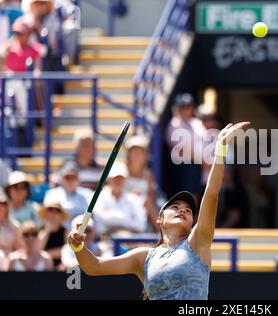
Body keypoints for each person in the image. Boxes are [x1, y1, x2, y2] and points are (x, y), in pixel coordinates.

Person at [67, 122, 250, 300]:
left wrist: (220, 150)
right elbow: (94, 267)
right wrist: (78, 247)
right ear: (159, 219)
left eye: (188, 210)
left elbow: (211, 194)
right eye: (175, 207)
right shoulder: (143, 257)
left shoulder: (198, 242)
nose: (183, 211)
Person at [165, 93, 204, 199]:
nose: (186, 109)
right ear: (178, 108)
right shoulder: (174, 124)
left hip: (198, 165)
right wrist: (202, 161)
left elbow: (205, 141)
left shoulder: (197, 123)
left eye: (189, 106)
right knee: (184, 196)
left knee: (197, 195)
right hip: (182, 166)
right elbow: (181, 149)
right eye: (183, 106)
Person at [124, 135, 166, 233]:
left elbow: (151, 196)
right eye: (134, 151)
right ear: (128, 154)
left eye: (140, 152)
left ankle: (160, 232)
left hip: (143, 212)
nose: (137, 155)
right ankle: (161, 232)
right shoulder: (121, 171)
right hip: (125, 208)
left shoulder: (149, 175)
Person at [94, 162, 147, 236]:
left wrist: (115, 218)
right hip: (105, 241)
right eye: (115, 178)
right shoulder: (99, 198)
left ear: (125, 180)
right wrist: (127, 220)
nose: (118, 181)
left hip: (129, 241)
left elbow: (141, 225)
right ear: (109, 179)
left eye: (121, 178)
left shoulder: (134, 199)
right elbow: (100, 221)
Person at [44, 161, 92, 227]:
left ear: (78, 179)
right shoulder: (51, 194)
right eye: (67, 177)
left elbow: (91, 218)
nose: (70, 181)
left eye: (73, 177)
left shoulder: (87, 194)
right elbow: (48, 218)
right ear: (61, 178)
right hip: (57, 233)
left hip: (80, 233)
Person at [37, 200, 69, 269]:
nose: (53, 214)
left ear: (61, 216)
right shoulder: (39, 230)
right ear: (45, 214)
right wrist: (47, 231)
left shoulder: (66, 232)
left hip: (60, 267)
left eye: (57, 211)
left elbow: (68, 251)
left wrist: (47, 253)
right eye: (50, 210)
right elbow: (37, 250)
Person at [0, 187, 23, 254]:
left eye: (3, 203)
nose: (0, 206)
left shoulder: (15, 226)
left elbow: (20, 250)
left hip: (7, 261)